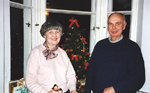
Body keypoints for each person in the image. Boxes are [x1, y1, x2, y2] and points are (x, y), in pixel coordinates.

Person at [85, 13, 145, 93]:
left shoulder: (132, 48)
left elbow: (139, 79)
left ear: (124, 26)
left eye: (118, 23)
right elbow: (91, 72)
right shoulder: (100, 45)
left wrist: (115, 89)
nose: (114, 27)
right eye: (110, 24)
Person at [25, 20, 78, 93]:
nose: (54, 35)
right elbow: (30, 81)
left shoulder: (63, 53)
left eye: (57, 32)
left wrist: (73, 89)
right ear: (44, 35)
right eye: (50, 32)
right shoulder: (36, 52)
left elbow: (70, 75)